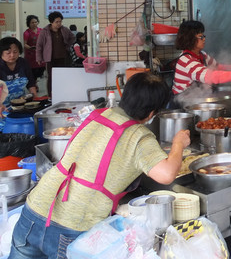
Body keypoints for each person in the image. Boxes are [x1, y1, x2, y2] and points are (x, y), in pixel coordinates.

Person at [9, 71, 191, 259]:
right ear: (153, 112)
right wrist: (178, 144)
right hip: (71, 225)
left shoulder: (99, 115)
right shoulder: (138, 136)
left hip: (34, 209)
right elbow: (167, 174)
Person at [171, 20, 231, 98]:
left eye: (204, 36)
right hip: (184, 103)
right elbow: (212, 77)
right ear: (190, 39)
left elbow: (219, 68)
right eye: (200, 37)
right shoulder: (186, 60)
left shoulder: (202, 55)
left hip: (198, 98)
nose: (204, 39)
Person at [35, 11, 75, 98]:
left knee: (63, 76)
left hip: (63, 57)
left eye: (60, 21)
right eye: (57, 22)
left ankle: (63, 93)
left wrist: (67, 45)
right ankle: (50, 95)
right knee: (51, 77)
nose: (59, 23)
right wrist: (39, 58)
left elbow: (72, 37)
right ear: (51, 22)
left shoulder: (64, 30)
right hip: (50, 58)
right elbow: (39, 45)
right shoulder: (44, 31)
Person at [0, 37, 37, 114]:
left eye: (15, 52)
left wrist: (35, 98)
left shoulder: (23, 63)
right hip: (3, 107)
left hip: (21, 105)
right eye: (8, 53)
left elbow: (31, 83)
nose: (12, 55)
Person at [23, 15, 45, 81]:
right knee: (32, 72)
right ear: (29, 23)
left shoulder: (41, 31)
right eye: (32, 22)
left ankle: (37, 81)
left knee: (41, 69)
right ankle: (34, 83)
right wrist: (31, 48)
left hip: (40, 54)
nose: (34, 24)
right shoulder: (27, 33)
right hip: (31, 55)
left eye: (36, 22)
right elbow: (25, 44)